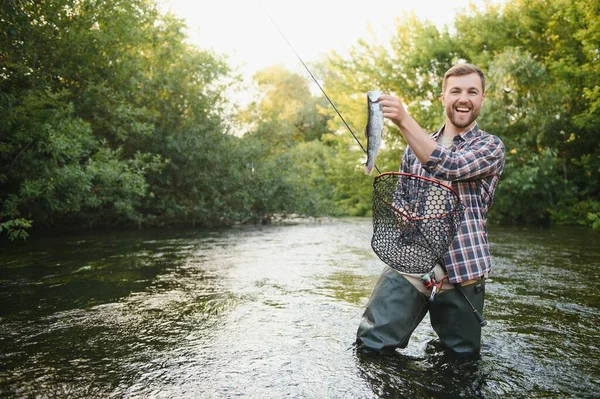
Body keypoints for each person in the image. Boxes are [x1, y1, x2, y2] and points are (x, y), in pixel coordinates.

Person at [356, 63, 506, 355]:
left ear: (482, 99)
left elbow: (448, 165)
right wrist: (402, 214)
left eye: (472, 92)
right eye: (456, 91)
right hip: (412, 260)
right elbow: (401, 199)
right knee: (370, 347)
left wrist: (403, 119)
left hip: (464, 269)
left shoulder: (491, 147)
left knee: (459, 364)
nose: (464, 98)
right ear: (443, 98)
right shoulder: (413, 145)